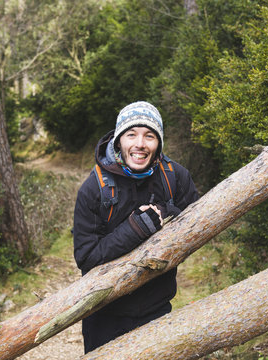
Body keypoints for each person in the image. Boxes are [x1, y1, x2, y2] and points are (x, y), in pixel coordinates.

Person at [73, 101, 199, 353]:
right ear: (119, 140)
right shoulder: (95, 188)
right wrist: (136, 229)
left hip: (156, 308)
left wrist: (167, 215)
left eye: (149, 136)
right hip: (104, 314)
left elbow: (198, 226)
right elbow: (86, 258)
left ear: (159, 143)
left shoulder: (175, 177)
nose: (140, 144)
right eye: (131, 134)